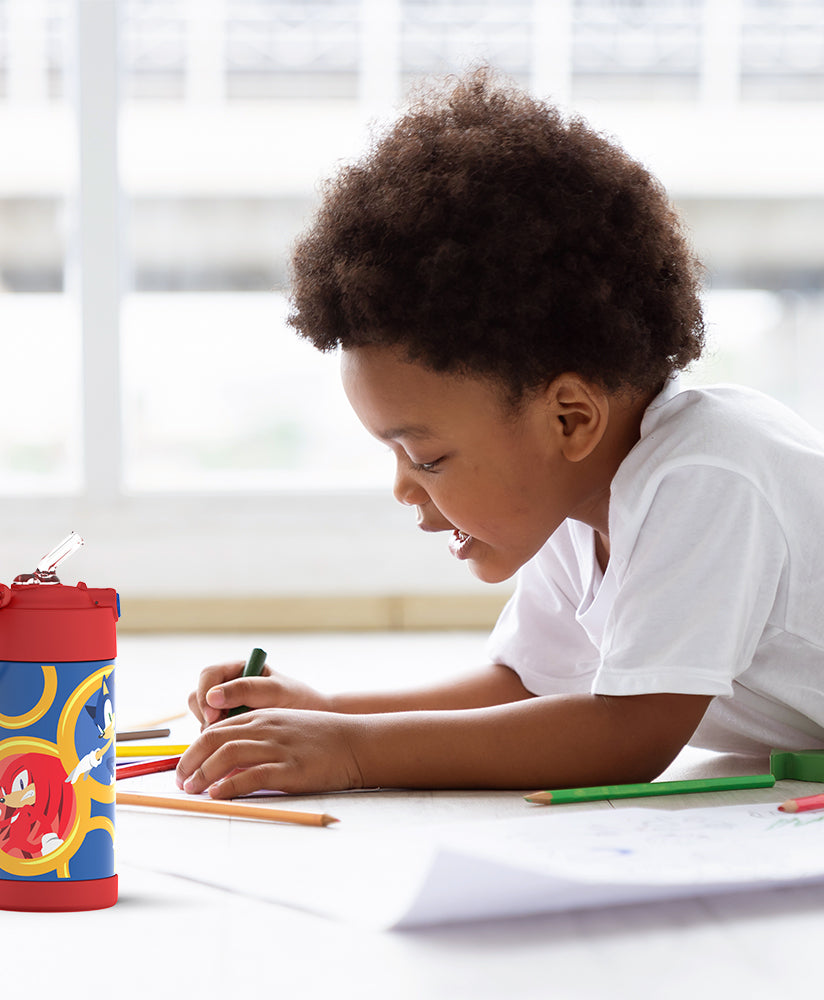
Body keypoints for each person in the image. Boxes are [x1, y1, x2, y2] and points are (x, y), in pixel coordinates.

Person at [176, 67, 824, 800]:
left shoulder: (708, 475)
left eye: (426, 457)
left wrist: (352, 751)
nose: (402, 487)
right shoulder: (576, 501)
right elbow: (524, 687)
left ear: (569, 418)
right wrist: (325, 715)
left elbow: (628, 735)